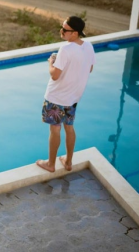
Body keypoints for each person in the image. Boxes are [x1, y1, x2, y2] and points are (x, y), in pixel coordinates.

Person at [36, 16, 95, 173]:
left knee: (55, 129)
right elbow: (89, 68)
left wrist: (51, 63)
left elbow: (55, 75)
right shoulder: (88, 46)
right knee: (69, 127)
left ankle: (51, 164)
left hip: (56, 97)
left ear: (74, 33)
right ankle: (68, 162)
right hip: (73, 97)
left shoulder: (65, 49)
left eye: (64, 29)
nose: (61, 31)